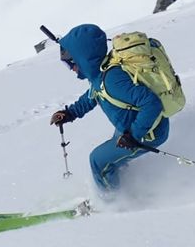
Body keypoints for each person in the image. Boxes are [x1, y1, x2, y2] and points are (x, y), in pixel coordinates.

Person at [49, 24, 169, 192]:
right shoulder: (100, 75)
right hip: (130, 128)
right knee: (113, 154)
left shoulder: (112, 80)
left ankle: (110, 203)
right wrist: (69, 113)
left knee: (98, 161)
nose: (71, 69)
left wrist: (134, 135)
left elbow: (151, 103)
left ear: (83, 59)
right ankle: (122, 183)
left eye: (71, 64)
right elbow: (93, 95)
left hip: (148, 133)